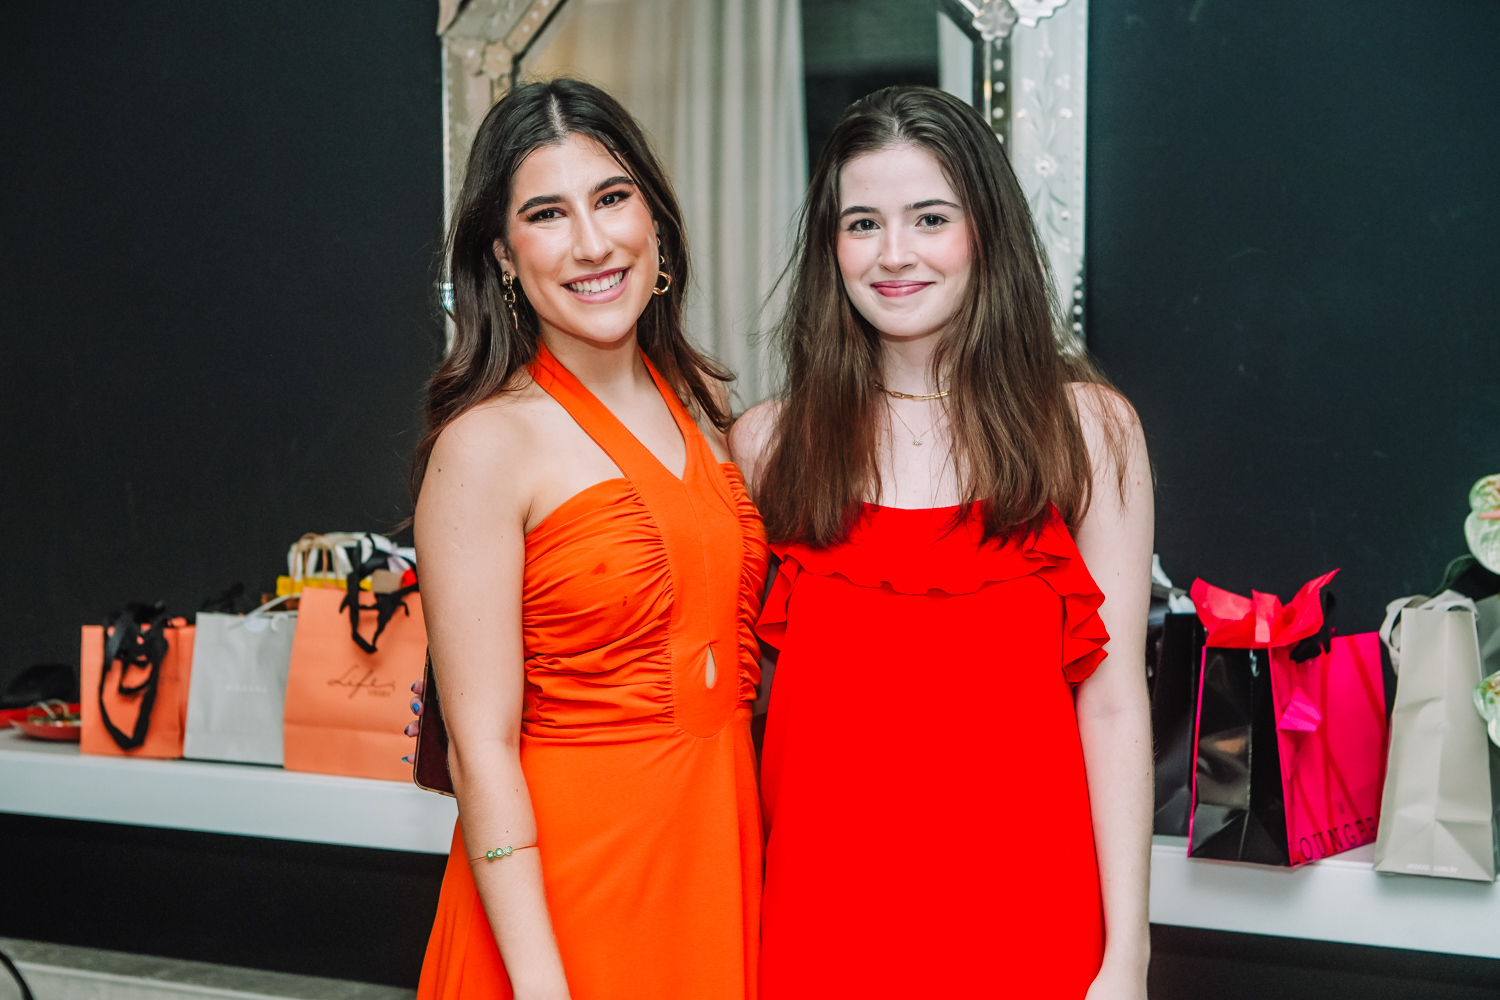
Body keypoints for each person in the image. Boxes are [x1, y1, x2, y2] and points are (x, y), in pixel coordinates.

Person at [729, 86, 1154, 999]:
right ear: (830, 247)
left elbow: (1115, 707)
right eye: (862, 224)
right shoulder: (768, 445)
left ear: (985, 232)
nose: (894, 254)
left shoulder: (1088, 430)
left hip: (1030, 925)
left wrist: (1127, 958)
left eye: (930, 218)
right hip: (822, 929)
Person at [411, 79, 768, 1000]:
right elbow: (479, 747)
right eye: (547, 214)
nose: (592, 243)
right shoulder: (486, 445)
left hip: (712, 870)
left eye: (611, 198)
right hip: (563, 906)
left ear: (655, 219)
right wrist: (541, 983)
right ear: (503, 254)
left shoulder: (705, 413)